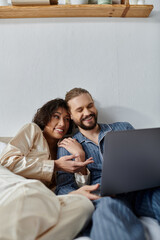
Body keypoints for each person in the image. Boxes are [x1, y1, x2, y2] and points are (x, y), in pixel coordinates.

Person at [56, 88, 160, 240]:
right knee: (107, 211)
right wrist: (83, 189)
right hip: (104, 197)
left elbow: (144, 161)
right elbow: (62, 188)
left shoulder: (123, 128)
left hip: (139, 192)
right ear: (71, 116)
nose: (87, 112)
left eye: (90, 106)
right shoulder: (68, 145)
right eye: (80, 110)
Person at [0, 98, 95, 240]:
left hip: (45, 202)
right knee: (28, 192)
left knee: (85, 206)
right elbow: (7, 161)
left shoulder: (65, 148)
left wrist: (80, 158)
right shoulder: (33, 130)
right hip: (18, 188)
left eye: (67, 119)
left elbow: (73, 187)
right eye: (56, 116)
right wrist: (55, 165)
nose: (62, 124)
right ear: (45, 117)